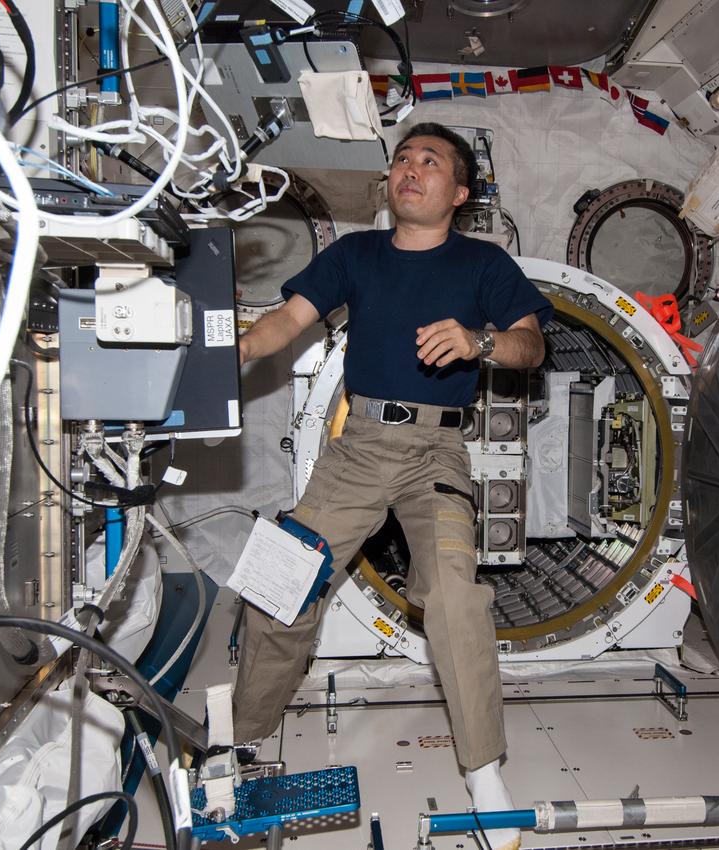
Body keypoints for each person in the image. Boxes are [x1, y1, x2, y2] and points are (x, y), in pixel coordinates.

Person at [233, 122, 552, 850]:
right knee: (279, 583)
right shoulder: (356, 254)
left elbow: (532, 345)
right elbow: (285, 321)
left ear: (460, 193)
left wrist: (479, 341)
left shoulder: (483, 264)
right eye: (402, 158)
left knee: (455, 595)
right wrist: (226, 353)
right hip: (357, 450)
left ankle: (484, 770)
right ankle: (244, 739)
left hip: (437, 452)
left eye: (430, 161)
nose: (410, 169)